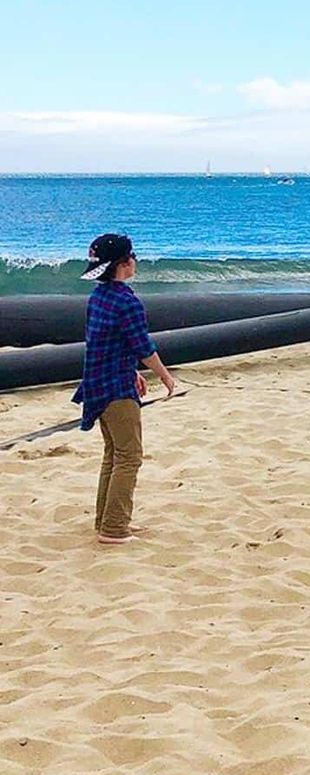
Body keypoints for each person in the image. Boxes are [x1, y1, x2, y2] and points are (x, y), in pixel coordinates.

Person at [72, 233, 176, 544]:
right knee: (129, 456)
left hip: (98, 382)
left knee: (113, 454)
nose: (135, 260)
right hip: (116, 390)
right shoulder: (127, 302)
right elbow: (144, 346)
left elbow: (105, 342)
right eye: (132, 255)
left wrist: (131, 371)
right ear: (122, 263)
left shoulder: (99, 296)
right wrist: (166, 377)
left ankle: (107, 520)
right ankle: (114, 529)